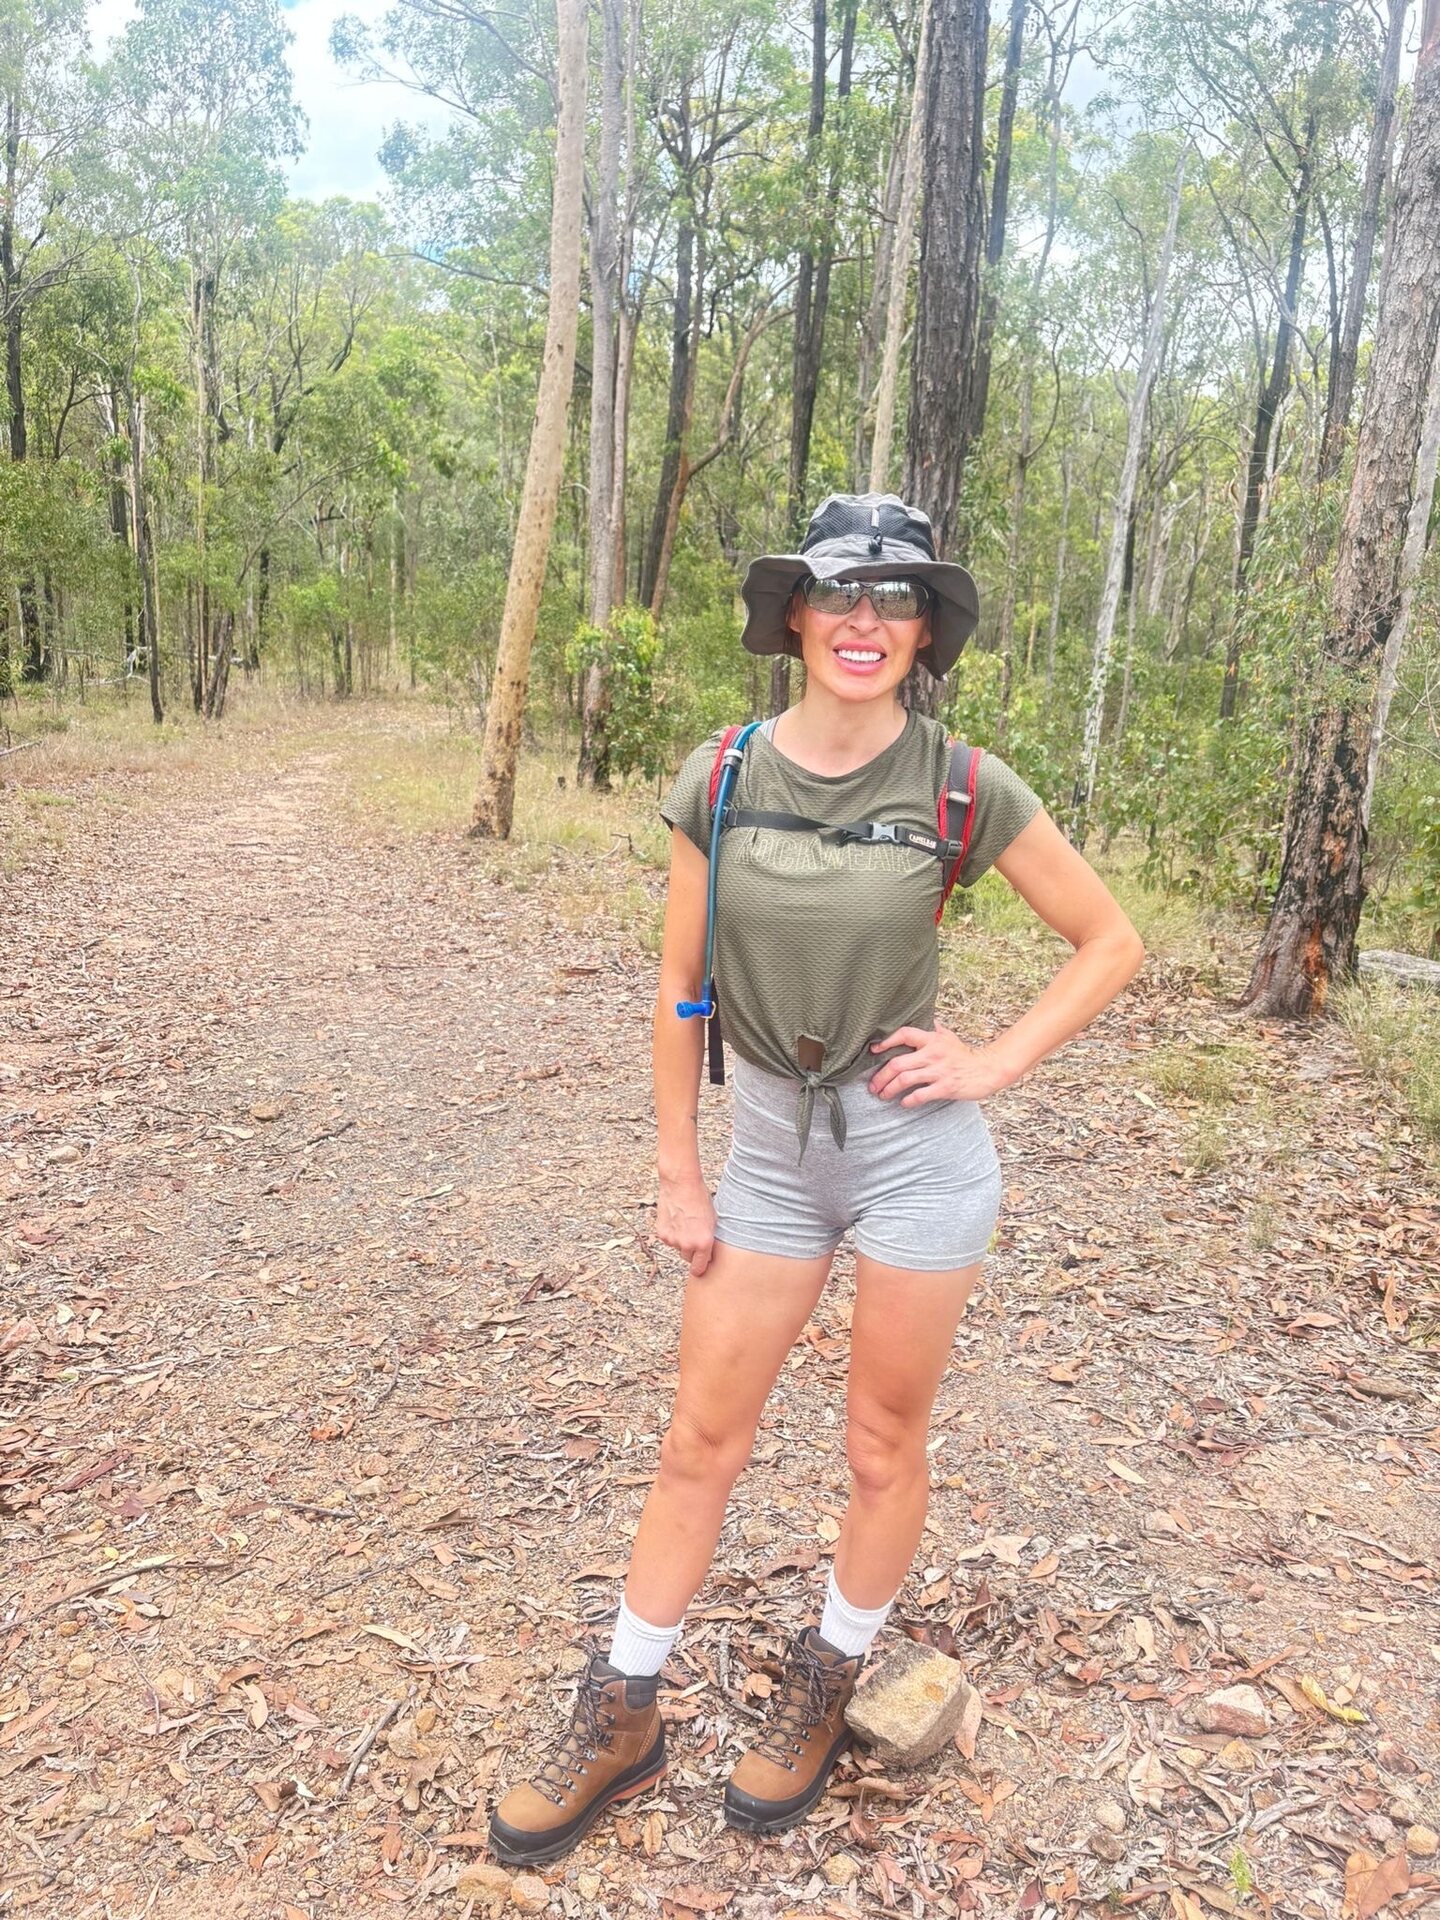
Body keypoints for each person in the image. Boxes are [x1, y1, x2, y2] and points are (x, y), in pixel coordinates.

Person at [488, 492, 1146, 1865]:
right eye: (840, 593)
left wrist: (993, 1061)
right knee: (700, 1438)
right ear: (793, 614)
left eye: (896, 599)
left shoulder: (962, 783)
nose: (865, 620)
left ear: (923, 631)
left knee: (879, 1445)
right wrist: (680, 1172)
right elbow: (680, 986)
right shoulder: (724, 775)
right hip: (770, 1155)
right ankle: (623, 1708)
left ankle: (830, 1677)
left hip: (915, 1159)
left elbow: (1109, 940)